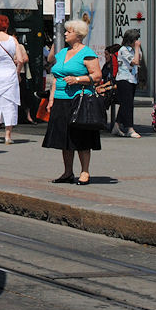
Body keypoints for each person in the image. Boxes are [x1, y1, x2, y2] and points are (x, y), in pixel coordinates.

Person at [42, 19, 102, 185]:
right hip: (61, 100)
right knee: (64, 138)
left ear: (78, 34)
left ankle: (85, 171)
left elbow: (97, 76)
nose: (66, 34)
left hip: (79, 100)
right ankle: (68, 172)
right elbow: (56, 77)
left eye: (69, 31)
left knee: (81, 138)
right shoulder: (62, 52)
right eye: (66, 31)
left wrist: (77, 79)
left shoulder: (87, 53)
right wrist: (51, 99)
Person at [0, 15, 26, 145]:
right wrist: (17, 72)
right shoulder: (13, 40)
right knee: (10, 104)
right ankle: (8, 136)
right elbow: (20, 60)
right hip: (9, 75)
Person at [112, 29, 143, 138]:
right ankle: (130, 128)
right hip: (124, 79)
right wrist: (137, 48)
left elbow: (139, 60)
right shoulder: (123, 50)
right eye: (135, 39)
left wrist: (137, 49)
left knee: (126, 103)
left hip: (133, 79)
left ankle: (117, 125)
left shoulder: (135, 50)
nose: (137, 41)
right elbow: (135, 61)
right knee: (128, 105)